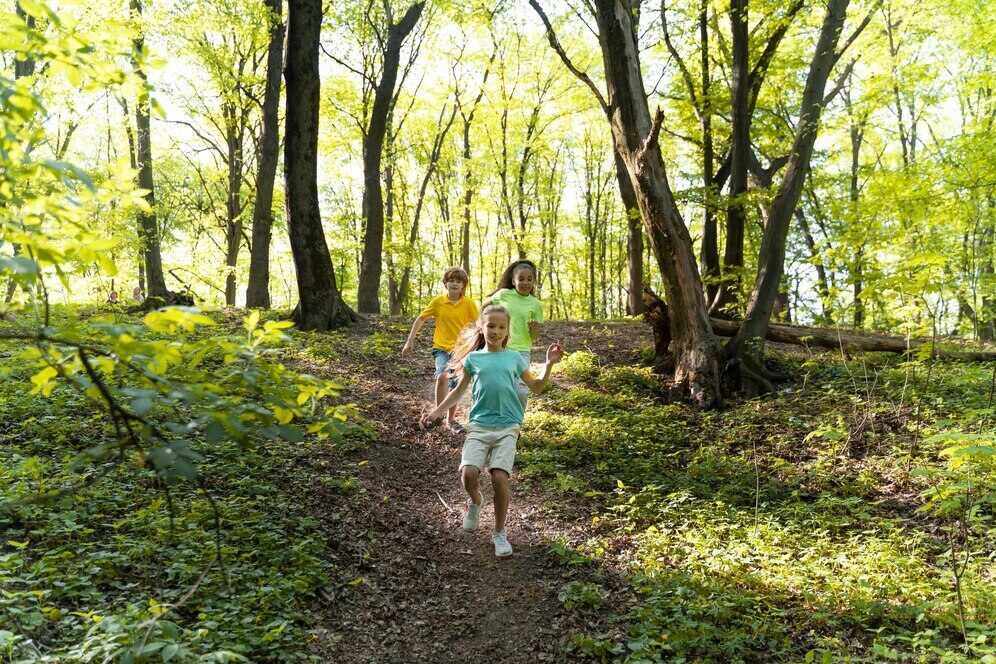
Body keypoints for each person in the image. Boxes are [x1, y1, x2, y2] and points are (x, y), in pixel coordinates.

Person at [421, 304, 564, 557]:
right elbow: (458, 391)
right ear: (482, 327)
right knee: (468, 473)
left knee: (499, 477)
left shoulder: (514, 358)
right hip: (479, 425)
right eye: (491, 326)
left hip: (508, 426)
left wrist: (549, 364)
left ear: (507, 330)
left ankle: (499, 533)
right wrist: (436, 412)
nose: (496, 331)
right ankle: (476, 502)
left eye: (501, 327)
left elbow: (538, 387)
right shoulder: (474, 359)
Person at [402, 267, 479, 432]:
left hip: (462, 350)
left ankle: (450, 420)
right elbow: (421, 318)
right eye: (451, 280)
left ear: (463, 285)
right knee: (442, 376)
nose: (455, 283)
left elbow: (479, 325)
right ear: (445, 283)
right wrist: (410, 340)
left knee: (455, 384)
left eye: (459, 281)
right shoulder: (438, 302)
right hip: (441, 348)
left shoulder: (469, 304)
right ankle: (438, 415)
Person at [487, 259, 543, 407]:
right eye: (521, 279)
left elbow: (534, 337)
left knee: (521, 391)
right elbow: (485, 308)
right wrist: (484, 327)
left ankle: (516, 425)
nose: (525, 283)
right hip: (501, 348)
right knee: (501, 387)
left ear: (534, 282)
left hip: (522, 351)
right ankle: (500, 420)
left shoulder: (536, 304)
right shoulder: (503, 294)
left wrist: (534, 328)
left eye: (529, 279)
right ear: (513, 281)